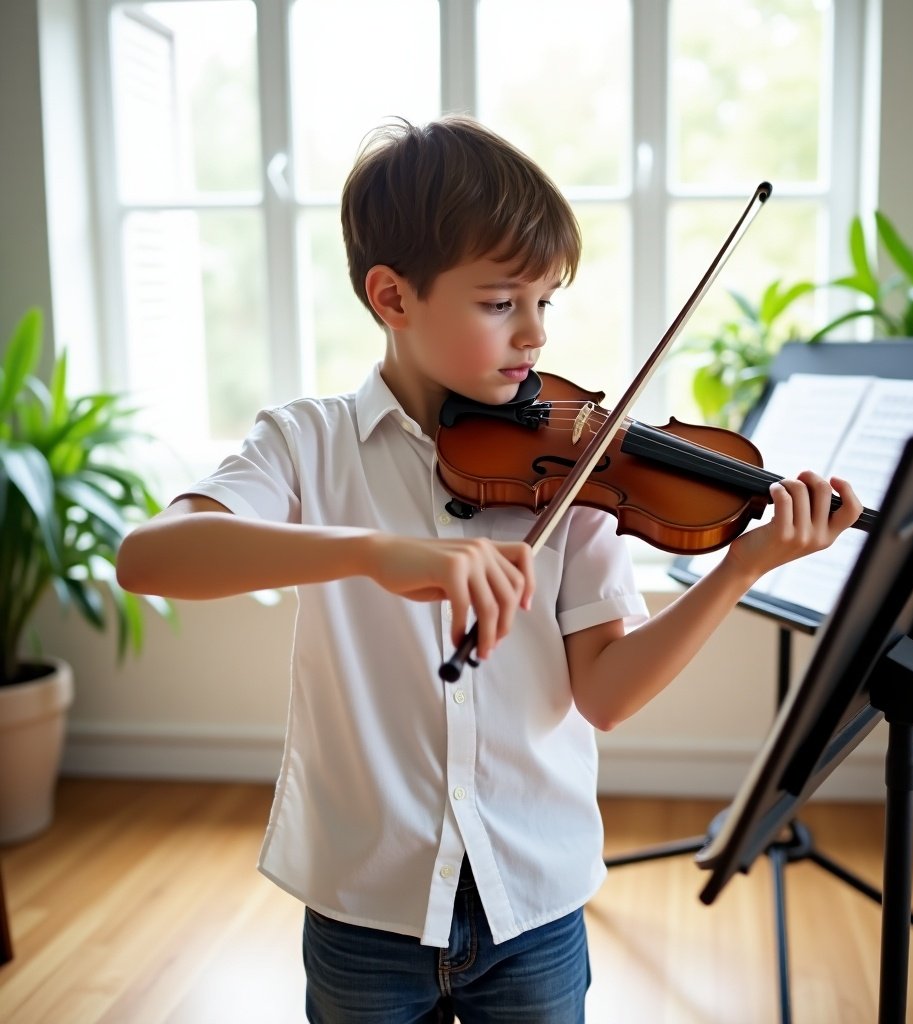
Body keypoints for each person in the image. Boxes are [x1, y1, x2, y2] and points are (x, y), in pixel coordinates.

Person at [116, 115, 862, 1024]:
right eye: (501, 302)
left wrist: (740, 567)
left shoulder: (578, 466)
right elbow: (152, 558)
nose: (535, 335)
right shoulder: (307, 443)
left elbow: (608, 696)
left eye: (546, 302)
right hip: (364, 905)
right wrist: (377, 552)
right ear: (392, 297)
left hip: (532, 904)